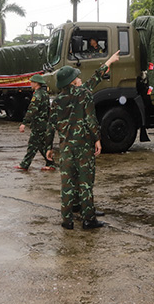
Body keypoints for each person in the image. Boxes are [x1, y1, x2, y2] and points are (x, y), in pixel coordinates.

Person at [46, 50, 120, 230]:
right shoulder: (83, 94)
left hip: (65, 149)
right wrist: (97, 139)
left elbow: (51, 125)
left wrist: (48, 147)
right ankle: (88, 219)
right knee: (85, 183)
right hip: (83, 146)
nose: (80, 79)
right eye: (77, 78)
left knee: (67, 184)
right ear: (73, 82)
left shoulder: (57, 101)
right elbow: (90, 120)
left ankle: (67, 220)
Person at [15, 74, 54, 171]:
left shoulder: (37, 95)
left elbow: (32, 110)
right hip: (43, 122)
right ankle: (50, 163)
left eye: (32, 82)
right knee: (40, 145)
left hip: (38, 124)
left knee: (32, 145)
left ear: (36, 83)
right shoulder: (45, 94)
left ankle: (24, 164)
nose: (30, 84)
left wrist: (24, 123)